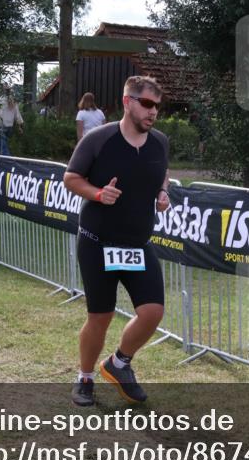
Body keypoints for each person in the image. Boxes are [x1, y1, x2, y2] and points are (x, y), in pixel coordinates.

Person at [63, 75, 171, 406]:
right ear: (128, 102)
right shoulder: (98, 139)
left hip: (137, 244)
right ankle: (85, 378)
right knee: (101, 316)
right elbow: (71, 178)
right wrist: (98, 193)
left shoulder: (160, 142)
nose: (153, 112)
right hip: (97, 243)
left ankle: (119, 363)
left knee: (152, 312)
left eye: (157, 106)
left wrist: (163, 192)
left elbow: (162, 172)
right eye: (147, 104)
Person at [0, 84, 23, 155]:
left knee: (2, 147)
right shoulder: (13, 102)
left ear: (3, 91)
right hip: (9, 127)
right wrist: (19, 126)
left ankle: (7, 159)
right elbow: (17, 115)